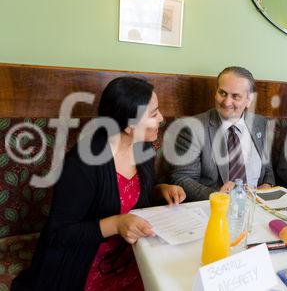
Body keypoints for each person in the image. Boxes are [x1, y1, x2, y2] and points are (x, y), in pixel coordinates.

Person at [12, 77, 186, 291]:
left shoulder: (143, 149)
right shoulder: (83, 162)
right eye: (154, 113)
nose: (161, 118)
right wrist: (116, 224)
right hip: (85, 262)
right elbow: (60, 233)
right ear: (129, 126)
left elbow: (133, 194)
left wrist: (161, 190)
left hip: (134, 252)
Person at [169, 66, 275, 201]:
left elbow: (267, 168)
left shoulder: (261, 124)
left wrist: (267, 185)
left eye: (235, 96)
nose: (227, 102)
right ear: (216, 92)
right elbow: (181, 178)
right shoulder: (193, 128)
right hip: (214, 208)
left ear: (249, 100)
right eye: (223, 93)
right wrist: (217, 195)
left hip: (256, 205)